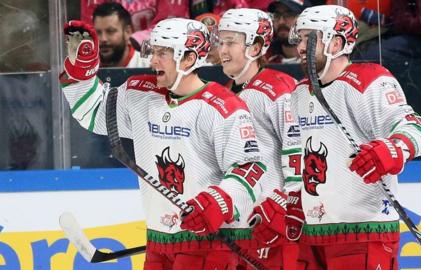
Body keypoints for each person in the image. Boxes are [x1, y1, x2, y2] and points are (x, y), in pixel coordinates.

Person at [60, 18, 266, 269]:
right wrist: (81, 72)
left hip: (210, 242)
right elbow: (93, 114)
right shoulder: (140, 93)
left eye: (164, 53)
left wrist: (218, 201)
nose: (153, 60)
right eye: (153, 51)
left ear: (189, 59)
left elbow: (250, 169)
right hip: (159, 239)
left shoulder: (223, 107)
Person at [286, 5, 421, 269]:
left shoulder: (369, 80)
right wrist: (296, 196)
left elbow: (416, 129)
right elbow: (298, 154)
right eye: (300, 38)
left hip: (364, 229)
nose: (300, 46)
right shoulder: (299, 93)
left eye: (310, 38)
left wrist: (391, 149)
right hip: (314, 232)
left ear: (337, 42)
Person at [217, 8, 302, 269]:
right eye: (221, 42)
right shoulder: (226, 93)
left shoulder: (279, 88)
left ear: (255, 46)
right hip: (240, 227)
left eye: (231, 42)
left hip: (274, 225)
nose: (223, 50)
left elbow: (299, 151)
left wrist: (285, 204)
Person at [92, 2, 149, 67]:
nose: (103, 39)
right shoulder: (85, 70)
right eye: (98, 32)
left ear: (127, 32)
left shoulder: (149, 67)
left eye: (110, 31)